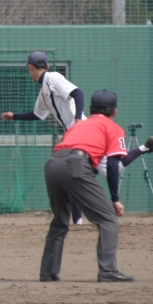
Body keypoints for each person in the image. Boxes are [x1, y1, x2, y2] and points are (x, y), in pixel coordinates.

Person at [39, 89, 134, 283]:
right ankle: (108, 270)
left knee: (60, 219)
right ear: (114, 111)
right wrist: (115, 199)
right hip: (75, 164)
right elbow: (113, 165)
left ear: (90, 110)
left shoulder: (77, 126)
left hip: (52, 164)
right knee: (108, 219)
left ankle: (47, 272)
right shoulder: (113, 127)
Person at [0, 51, 86, 224]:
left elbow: (78, 93)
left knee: (75, 176)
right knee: (74, 176)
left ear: (31, 68)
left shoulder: (52, 78)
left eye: (29, 69)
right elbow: (37, 115)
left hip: (80, 131)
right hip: (73, 133)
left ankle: (80, 219)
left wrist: (77, 121)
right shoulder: (44, 90)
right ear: (45, 65)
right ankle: (77, 221)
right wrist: (14, 116)